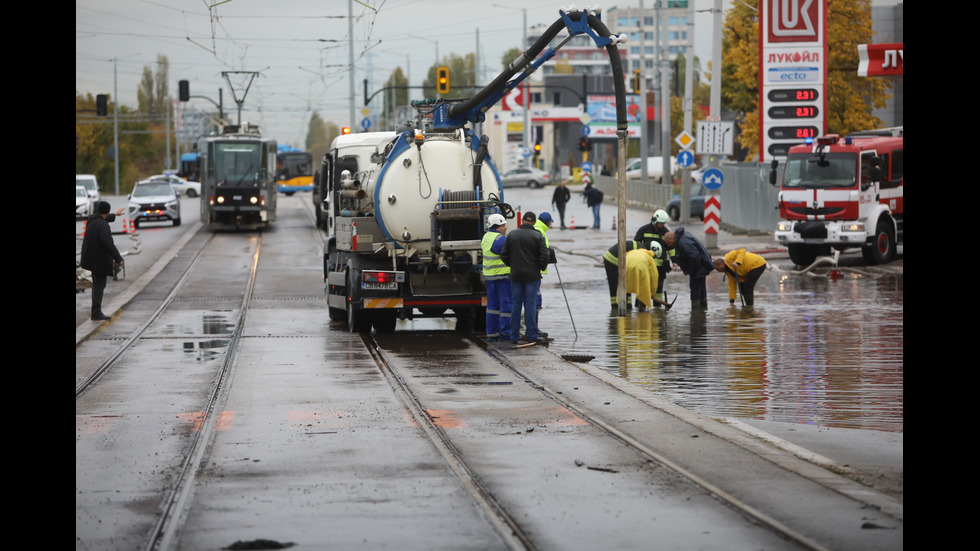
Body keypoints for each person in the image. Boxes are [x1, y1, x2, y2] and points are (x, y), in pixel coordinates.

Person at [501, 212, 550, 345]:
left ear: (522, 220)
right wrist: (538, 267)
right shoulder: (537, 236)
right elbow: (544, 256)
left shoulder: (512, 234)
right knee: (530, 304)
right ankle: (532, 336)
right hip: (532, 276)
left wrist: (513, 265)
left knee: (516, 304)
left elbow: (504, 254)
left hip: (516, 275)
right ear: (534, 222)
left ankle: (514, 336)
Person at [80, 201, 125, 321]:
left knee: (97, 284)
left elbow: (102, 218)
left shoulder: (92, 220)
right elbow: (109, 244)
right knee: (99, 285)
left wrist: (115, 215)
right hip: (99, 259)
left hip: (91, 258)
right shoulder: (103, 225)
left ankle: (96, 311)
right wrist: (119, 259)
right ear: (107, 211)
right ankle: (96, 312)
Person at [663, 229, 713, 309]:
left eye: (668, 243)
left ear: (671, 239)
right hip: (702, 266)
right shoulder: (683, 237)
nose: (669, 245)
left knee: (695, 291)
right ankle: (703, 313)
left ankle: (696, 314)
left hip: (698, 268)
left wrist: (692, 270)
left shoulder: (683, 241)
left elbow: (694, 256)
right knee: (701, 290)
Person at [633, 209, 674, 305]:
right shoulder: (643, 230)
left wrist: (674, 260)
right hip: (646, 264)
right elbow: (635, 244)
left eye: (664, 223)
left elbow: (671, 248)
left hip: (660, 266)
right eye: (661, 223)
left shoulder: (665, 232)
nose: (663, 225)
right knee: (643, 285)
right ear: (655, 221)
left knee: (659, 287)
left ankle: (657, 306)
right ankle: (641, 305)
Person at [481, 214, 512, 341]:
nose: (505, 228)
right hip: (502, 277)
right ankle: (506, 333)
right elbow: (510, 254)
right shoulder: (500, 239)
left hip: (490, 277)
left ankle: (492, 333)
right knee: (506, 305)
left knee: (492, 307)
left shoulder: (486, 236)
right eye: (503, 225)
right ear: (497, 227)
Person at [622, 242, 671, 311]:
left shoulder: (633, 251)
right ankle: (642, 312)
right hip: (640, 269)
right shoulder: (650, 259)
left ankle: (623, 310)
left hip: (624, 267)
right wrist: (653, 293)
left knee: (625, 288)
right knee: (643, 289)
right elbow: (654, 277)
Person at [602, 239, 640, 309]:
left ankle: (618, 306)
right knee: (620, 284)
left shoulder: (639, 247)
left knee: (615, 284)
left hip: (611, 259)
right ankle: (620, 306)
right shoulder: (640, 252)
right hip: (613, 261)